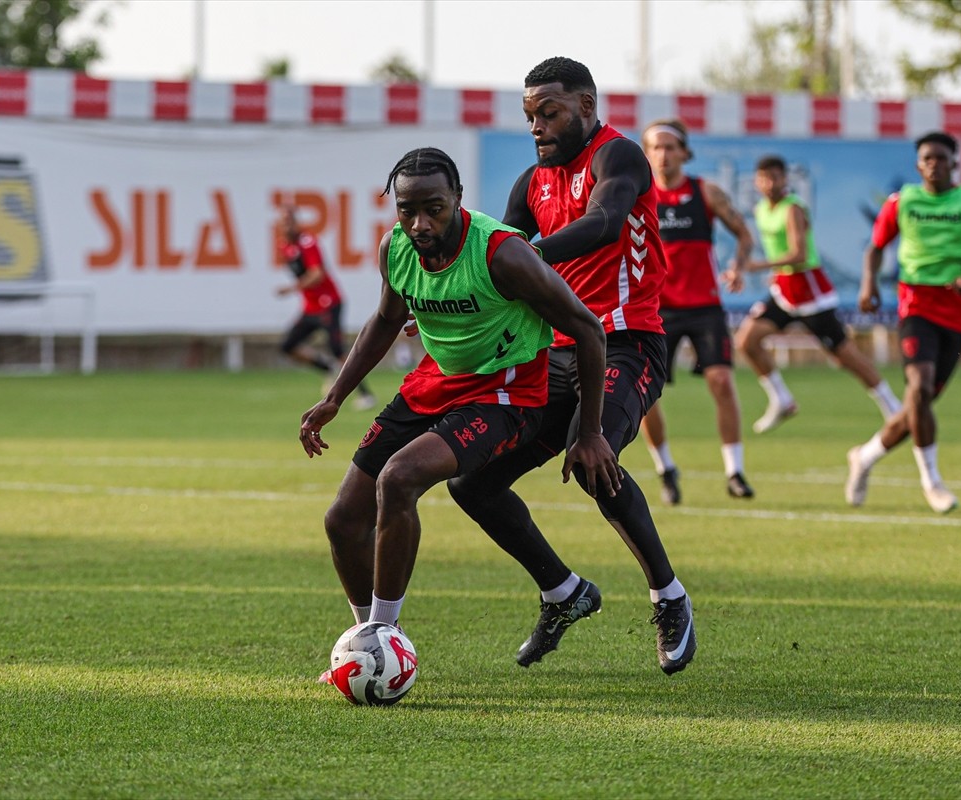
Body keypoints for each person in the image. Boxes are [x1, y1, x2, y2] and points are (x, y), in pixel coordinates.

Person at [299, 148, 615, 656]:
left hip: (506, 390)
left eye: (434, 208)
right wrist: (336, 396)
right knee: (342, 520)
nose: (420, 223)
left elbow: (587, 328)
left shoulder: (504, 254)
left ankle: (385, 636)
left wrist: (591, 430)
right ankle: (367, 642)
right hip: (435, 380)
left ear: (458, 199)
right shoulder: (396, 248)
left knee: (399, 478)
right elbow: (385, 319)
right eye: (407, 210)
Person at [446, 57, 697, 676]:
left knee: (591, 457)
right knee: (469, 481)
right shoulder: (531, 183)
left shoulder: (620, 158)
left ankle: (670, 597)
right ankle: (563, 592)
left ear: (586, 105)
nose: (537, 126)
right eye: (530, 115)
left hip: (627, 343)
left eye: (550, 112)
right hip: (552, 355)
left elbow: (604, 222)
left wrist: (526, 254)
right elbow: (490, 257)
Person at [846, 131, 961, 514]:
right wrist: (868, 283)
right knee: (918, 390)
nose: (933, 164)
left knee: (917, 407)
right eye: (926, 159)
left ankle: (864, 457)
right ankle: (932, 483)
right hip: (915, 306)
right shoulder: (903, 201)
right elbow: (875, 247)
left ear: (955, 162)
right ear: (918, 165)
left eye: (941, 157)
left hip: (956, 312)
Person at [733, 155, 901, 434]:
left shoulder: (793, 208)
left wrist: (756, 266)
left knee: (844, 356)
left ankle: (892, 406)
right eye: (764, 177)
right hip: (784, 291)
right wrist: (740, 267)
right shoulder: (761, 209)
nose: (770, 183)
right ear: (757, 181)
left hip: (810, 292)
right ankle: (781, 399)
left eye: (776, 177)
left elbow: (798, 254)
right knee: (747, 341)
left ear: (785, 179)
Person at [638, 118, 754, 504]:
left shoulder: (706, 192)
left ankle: (734, 471)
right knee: (643, 396)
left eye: (670, 147)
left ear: (685, 153)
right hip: (655, 310)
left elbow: (744, 234)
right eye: (655, 147)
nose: (663, 154)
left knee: (721, 381)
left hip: (704, 306)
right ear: (646, 153)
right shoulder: (636, 195)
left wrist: (737, 266)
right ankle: (665, 468)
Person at [276, 205, 377, 409]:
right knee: (288, 345)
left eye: (289, 221)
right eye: (283, 222)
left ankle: (366, 395)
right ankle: (327, 368)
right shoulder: (286, 246)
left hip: (328, 303)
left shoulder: (308, 242)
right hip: (310, 308)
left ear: (296, 222)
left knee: (337, 350)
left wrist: (292, 288)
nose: (286, 226)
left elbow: (317, 274)